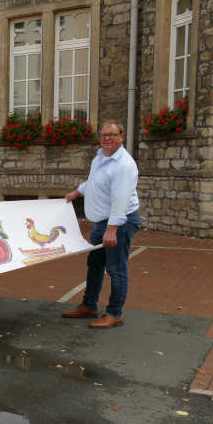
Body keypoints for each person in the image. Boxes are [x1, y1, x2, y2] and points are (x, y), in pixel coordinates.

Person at [62, 120, 141, 328]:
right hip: (101, 221)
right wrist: (77, 192)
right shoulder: (100, 157)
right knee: (95, 264)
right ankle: (89, 305)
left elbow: (121, 199)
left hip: (119, 223)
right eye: (104, 134)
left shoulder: (123, 165)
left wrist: (112, 229)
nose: (107, 138)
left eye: (112, 135)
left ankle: (115, 313)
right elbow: (95, 182)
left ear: (121, 137)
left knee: (116, 268)